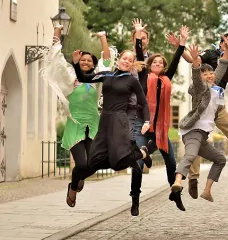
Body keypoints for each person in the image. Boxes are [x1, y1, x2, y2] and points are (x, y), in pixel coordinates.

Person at [41, 26, 113, 208]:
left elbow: (106, 60)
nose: (86, 62)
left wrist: (103, 38)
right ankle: (73, 187)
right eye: (83, 60)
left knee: (94, 164)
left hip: (93, 125)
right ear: (78, 61)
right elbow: (56, 59)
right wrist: (57, 31)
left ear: (93, 64)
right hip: (75, 125)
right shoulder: (70, 76)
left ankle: (77, 179)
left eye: (89, 60)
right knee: (82, 163)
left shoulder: (98, 78)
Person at [71, 49, 153, 204]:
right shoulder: (106, 75)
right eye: (124, 58)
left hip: (119, 120)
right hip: (105, 120)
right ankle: (138, 154)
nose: (127, 61)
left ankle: (140, 153)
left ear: (132, 64)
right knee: (93, 161)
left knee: (118, 163)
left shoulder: (132, 81)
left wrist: (147, 121)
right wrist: (76, 63)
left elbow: (144, 103)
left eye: (130, 60)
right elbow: (83, 77)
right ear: (119, 59)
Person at [168, 32, 228, 199]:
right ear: (220, 41)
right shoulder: (210, 54)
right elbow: (193, 61)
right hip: (202, 98)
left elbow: (225, 71)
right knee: (194, 144)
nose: (226, 44)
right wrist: (179, 46)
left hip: (217, 103)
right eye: (225, 40)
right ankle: (193, 178)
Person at [128, 22, 187, 216]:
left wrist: (182, 43)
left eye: (161, 63)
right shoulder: (144, 75)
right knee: (138, 164)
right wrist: (138, 34)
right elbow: (138, 53)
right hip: (142, 123)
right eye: (155, 62)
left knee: (171, 162)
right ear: (150, 64)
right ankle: (135, 199)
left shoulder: (166, 79)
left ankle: (175, 194)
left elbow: (177, 60)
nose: (158, 65)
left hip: (160, 127)